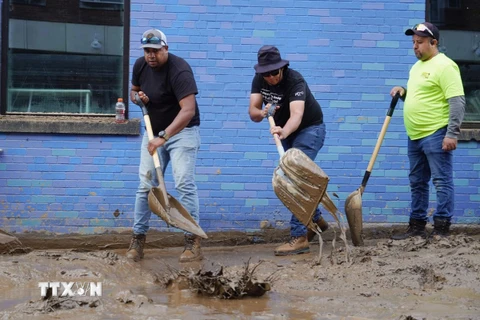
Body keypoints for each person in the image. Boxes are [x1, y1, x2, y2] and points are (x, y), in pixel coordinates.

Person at [127, 28, 203, 262]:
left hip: (182, 132)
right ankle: (138, 240)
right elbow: (133, 91)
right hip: (153, 132)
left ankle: (192, 240)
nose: (151, 55)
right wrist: (138, 98)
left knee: (183, 184)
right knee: (145, 186)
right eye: (147, 51)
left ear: (165, 49)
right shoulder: (140, 65)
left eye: (155, 51)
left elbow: (188, 111)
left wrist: (164, 137)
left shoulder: (180, 70)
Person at [248, 45, 329, 256]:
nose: (271, 77)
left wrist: (283, 131)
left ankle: (299, 237)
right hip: (286, 132)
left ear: (282, 68)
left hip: (309, 130)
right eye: (266, 74)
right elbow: (253, 112)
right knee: (292, 178)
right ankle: (316, 219)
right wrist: (263, 112)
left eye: (274, 72)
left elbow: (297, 115)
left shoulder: (295, 80)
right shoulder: (259, 80)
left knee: (294, 178)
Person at [390, 22, 465, 240]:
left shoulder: (446, 66)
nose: (415, 46)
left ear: (434, 43)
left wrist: (452, 133)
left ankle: (441, 228)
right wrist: (403, 92)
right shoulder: (416, 67)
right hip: (414, 135)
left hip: (436, 133)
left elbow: (457, 102)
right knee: (417, 182)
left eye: (420, 42)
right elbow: (420, 96)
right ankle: (416, 227)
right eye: (413, 42)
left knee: (441, 181)